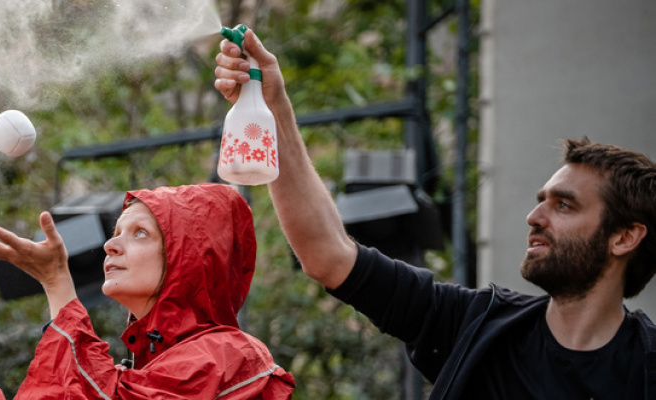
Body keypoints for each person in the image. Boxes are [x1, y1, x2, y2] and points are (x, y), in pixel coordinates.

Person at [213, 29, 656, 399]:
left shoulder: (646, 369)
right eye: (542, 199)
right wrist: (274, 106)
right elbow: (328, 256)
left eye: (564, 205)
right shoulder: (474, 324)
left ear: (625, 237)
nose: (535, 216)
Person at [0, 183, 295, 399]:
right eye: (117, 231)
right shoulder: (141, 367)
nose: (111, 243)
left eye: (140, 234)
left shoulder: (233, 357)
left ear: (190, 257)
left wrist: (58, 281)